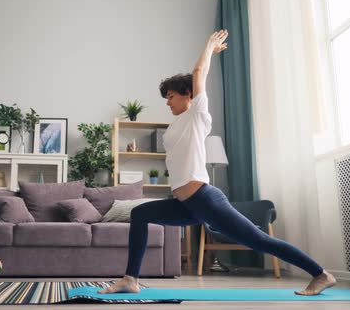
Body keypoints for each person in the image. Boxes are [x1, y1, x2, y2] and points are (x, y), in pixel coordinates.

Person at [99, 30, 336, 296]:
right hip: (186, 205)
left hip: (205, 199)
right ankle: (131, 279)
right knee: (140, 214)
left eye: (170, 96)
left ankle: (320, 273)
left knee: (259, 241)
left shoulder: (198, 115)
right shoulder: (178, 124)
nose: (167, 102)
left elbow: (199, 72)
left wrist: (210, 46)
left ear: (187, 94)